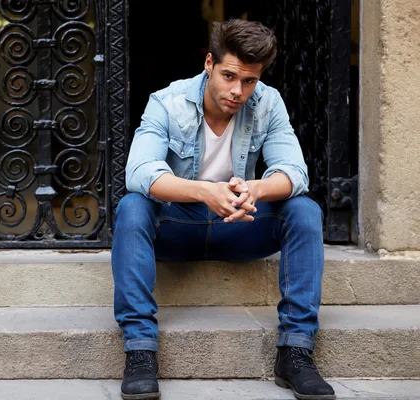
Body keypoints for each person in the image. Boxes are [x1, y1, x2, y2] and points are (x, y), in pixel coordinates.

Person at [112, 19, 336, 400]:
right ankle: (140, 351)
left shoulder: (268, 102)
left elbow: (295, 173)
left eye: (249, 81)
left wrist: (255, 188)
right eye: (229, 76)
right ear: (209, 64)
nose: (238, 91)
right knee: (132, 207)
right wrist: (203, 192)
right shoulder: (167, 102)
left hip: (239, 223)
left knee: (304, 210)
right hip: (177, 227)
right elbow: (140, 172)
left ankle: (295, 351)